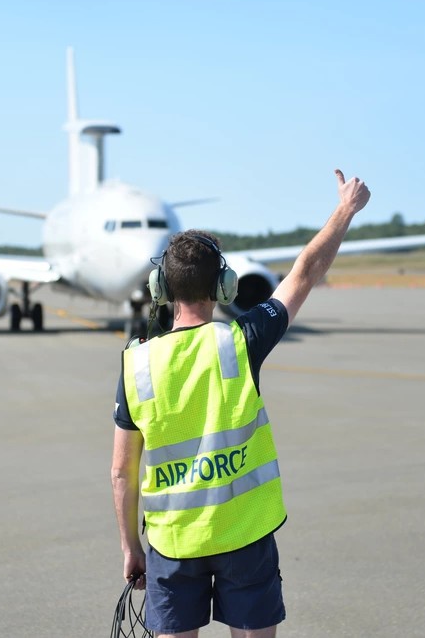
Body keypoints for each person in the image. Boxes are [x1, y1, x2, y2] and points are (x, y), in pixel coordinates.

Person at [111, 168, 371, 638]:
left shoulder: (137, 365)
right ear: (225, 286)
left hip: (172, 543)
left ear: (161, 289)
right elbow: (306, 272)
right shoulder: (242, 340)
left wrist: (132, 547)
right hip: (245, 533)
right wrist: (345, 209)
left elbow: (121, 473)